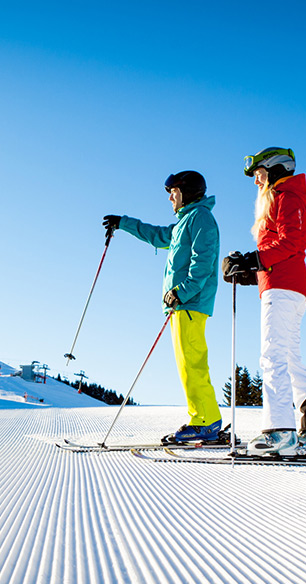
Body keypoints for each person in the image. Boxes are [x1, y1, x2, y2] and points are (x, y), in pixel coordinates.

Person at [223, 147, 306, 456]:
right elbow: (279, 254)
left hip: (284, 289)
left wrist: (254, 258)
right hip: (284, 286)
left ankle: (279, 433)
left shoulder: (287, 197)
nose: (256, 181)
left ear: (274, 170)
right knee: (289, 359)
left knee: (272, 357)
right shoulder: (282, 198)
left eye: (258, 174)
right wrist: (248, 271)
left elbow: (291, 242)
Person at [103, 170, 222, 443]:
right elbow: (157, 235)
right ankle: (207, 418)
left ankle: (205, 421)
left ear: (188, 192)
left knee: (192, 364)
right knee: (188, 364)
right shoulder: (184, 222)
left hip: (189, 303)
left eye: (174, 192)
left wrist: (182, 291)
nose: (170, 197)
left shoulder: (201, 218)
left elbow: (203, 261)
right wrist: (124, 223)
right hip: (182, 305)